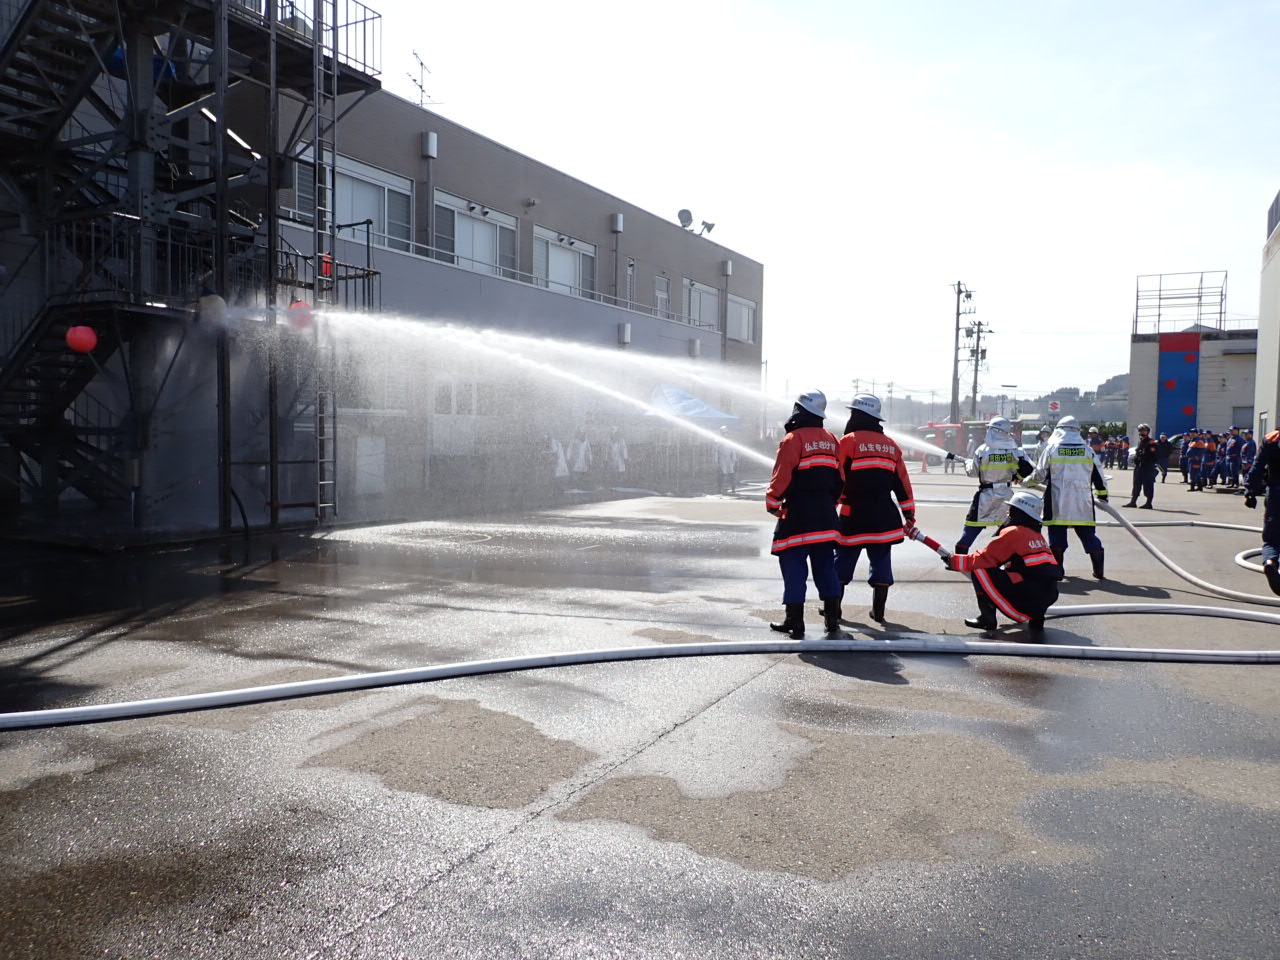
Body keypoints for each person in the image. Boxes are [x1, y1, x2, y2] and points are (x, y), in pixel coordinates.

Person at [765, 390, 843, 638]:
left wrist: (773, 503)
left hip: (797, 515)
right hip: (826, 516)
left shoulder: (793, 439)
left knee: (793, 566)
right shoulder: (832, 439)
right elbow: (840, 480)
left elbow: (782, 476)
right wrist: (830, 505)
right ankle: (832, 620)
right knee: (825, 566)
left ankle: (795, 622)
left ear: (799, 410)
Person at [834, 394, 915, 623]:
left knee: (842, 562)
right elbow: (902, 483)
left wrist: (830, 506)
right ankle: (878, 612)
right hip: (884, 516)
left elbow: (836, 479)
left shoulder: (848, 442)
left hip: (853, 516)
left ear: (856, 415)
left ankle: (833, 610)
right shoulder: (891, 445)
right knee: (881, 562)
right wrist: (908, 514)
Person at [943, 490, 1062, 636]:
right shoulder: (1037, 536)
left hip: (1029, 597)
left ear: (1018, 512)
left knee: (980, 570)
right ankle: (1037, 619)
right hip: (1047, 596)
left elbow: (985, 559)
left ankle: (987, 619)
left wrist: (954, 561)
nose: (1008, 513)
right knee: (1030, 578)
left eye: (1011, 509)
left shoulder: (1015, 532)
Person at [1030, 415, 1109, 578]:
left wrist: (1027, 481)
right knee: (1088, 535)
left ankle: (1058, 571)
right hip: (1083, 502)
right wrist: (1103, 495)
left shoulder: (1052, 448)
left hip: (1057, 500)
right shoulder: (1087, 450)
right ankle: (1099, 571)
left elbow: (1039, 474)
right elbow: (1099, 475)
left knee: (1057, 536)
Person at [954, 416, 1034, 555]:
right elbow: (1028, 468)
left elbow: (973, 473)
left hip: (986, 495)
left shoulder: (982, 450)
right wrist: (1018, 477)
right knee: (1009, 530)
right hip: (1007, 495)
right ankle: (1015, 558)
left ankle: (960, 558)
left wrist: (967, 464)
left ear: (993, 430)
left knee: (972, 526)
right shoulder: (1016, 450)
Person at [1243, 429, 1280, 595]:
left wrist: (1250, 491)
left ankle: (1270, 562)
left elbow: (1257, 466)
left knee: (1272, 540)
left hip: (1276, 494)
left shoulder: (1271, 438)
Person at [1123, 423, 1159, 509]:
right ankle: (1133, 502)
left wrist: (1145, 459)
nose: (1142, 432)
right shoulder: (1141, 442)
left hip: (1147, 467)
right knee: (1136, 483)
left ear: (1148, 432)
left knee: (1148, 485)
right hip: (1139, 466)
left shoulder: (1151, 442)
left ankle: (1148, 503)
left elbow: (1153, 455)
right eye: (1140, 430)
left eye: (1144, 430)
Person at [715, 425, 738, 494]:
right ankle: (719, 489)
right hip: (722, 458)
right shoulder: (718, 440)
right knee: (722, 474)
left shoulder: (730, 440)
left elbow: (733, 450)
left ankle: (733, 489)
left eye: (726, 432)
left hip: (729, 459)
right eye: (723, 433)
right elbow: (716, 451)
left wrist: (734, 459)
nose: (725, 434)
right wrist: (716, 460)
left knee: (732, 474)